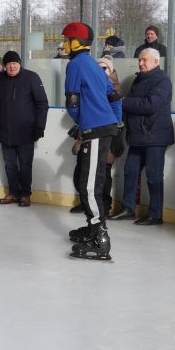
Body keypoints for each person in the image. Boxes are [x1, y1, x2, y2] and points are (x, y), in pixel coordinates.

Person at [61, 23, 122, 261]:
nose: (64, 44)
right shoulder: (95, 65)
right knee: (91, 181)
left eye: (66, 39)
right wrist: (116, 122)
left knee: (88, 185)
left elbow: (72, 102)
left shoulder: (75, 64)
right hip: (103, 128)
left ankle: (100, 238)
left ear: (76, 42)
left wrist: (82, 122)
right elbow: (115, 96)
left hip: (94, 129)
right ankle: (92, 226)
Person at [109, 48, 173, 226]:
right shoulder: (139, 79)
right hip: (138, 135)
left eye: (145, 60)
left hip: (155, 136)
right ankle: (128, 208)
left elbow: (150, 105)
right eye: (139, 59)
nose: (141, 63)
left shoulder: (162, 80)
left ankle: (155, 214)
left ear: (156, 62)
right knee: (130, 171)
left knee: (153, 176)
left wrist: (123, 102)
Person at [0, 51, 49, 207]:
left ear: (19, 64)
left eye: (14, 63)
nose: (12, 67)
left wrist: (39, 126)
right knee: (9, 165)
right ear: (4, 66)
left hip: (26, 132)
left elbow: (42, 104)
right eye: (8, 64)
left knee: (25, 164)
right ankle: (13, 192)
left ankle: (25, 194)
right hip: (5, 131)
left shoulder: (31, 77)